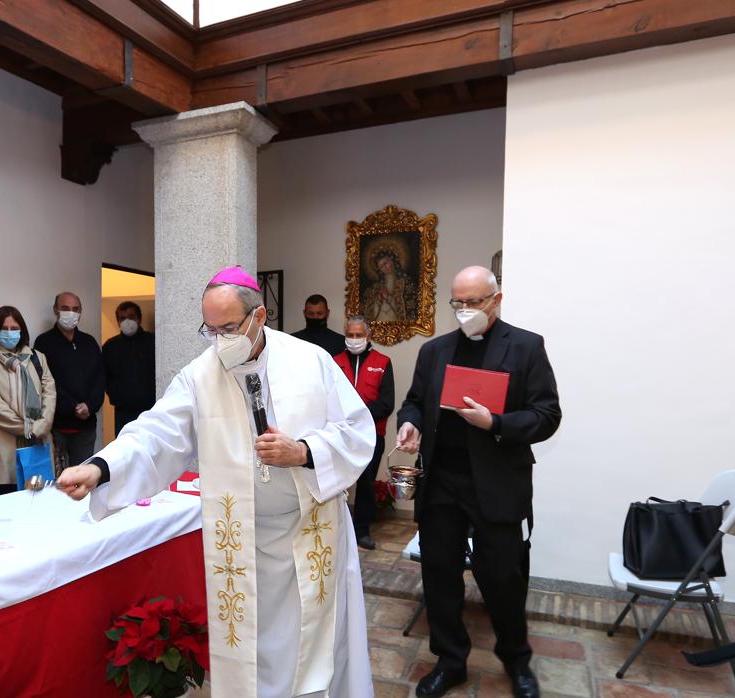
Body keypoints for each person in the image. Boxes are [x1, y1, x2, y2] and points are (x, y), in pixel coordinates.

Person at [57, 266, 376, 697]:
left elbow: (356, 430)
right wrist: (100, 467)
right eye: (210, 330)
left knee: (315, 650)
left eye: (229, 327)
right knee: (251, 653)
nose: (220, 340)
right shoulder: (199, 375)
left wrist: (302, 451)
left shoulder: (310, 361)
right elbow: (155, 433)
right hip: (243, 542)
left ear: (259, 316)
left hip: (309, 531)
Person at [396, 266, 561, 698]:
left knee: (503, 579)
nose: (465, 311)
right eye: (458, 303)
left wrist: (497, 422)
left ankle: (516, 660)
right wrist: (409, 424)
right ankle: (450, 661)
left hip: (497, 485)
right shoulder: (435, 351)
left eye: (474, 302)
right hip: (442, 485)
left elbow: (547, 416)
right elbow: (413, 402)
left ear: (496, 300)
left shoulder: (526, 347)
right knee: (440, 577)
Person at [0, 305, 57, 497]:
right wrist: (28, 428)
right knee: (3, 514)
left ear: (22, 330)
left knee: (35, 508)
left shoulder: (38, 358)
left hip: (36, 447)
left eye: (14, 328)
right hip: (0, 454)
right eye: (4, 328)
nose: (9, 333)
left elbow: (50, 394)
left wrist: (42, 426)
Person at [333, 315, 394, 551]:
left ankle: (362, 531)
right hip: (340, 433)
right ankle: (338, 528)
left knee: (367, 483)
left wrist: (359, 416)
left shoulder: (383, 362)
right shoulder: (334, 361)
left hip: (371, 434)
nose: (354, 339)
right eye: (350, 334)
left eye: (359, 335)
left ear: (368, 337)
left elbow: (386, 402)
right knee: (337, 481)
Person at [34, 291, 104, 467]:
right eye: (65, 308)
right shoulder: (44, 343)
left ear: (81, 312)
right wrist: (73, 407)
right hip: (56, 427)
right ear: (56, 310)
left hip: (85, 428)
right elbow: (44, 381)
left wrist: (90, 405)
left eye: (75, 309)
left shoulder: (89, 342)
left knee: (81, 479)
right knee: (56, 481)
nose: (70, 313)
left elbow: (100, 379)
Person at [102, 300, 155, 435]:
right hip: (123, 412)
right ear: (118, 321)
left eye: (131, 317)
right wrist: (116, 396)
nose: (127, 321)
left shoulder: (152, 342)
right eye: (122, 318)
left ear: (139, 319)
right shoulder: (110, 346)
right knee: (124, 451)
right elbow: (104, 377)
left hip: (151, 410)